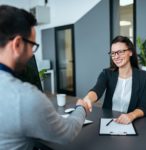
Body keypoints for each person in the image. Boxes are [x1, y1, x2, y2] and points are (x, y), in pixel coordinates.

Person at [0, 5, 89, 150]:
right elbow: (67, 133)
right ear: (17, 44)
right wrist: (81, 108)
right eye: (32, 46)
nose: (31, 54)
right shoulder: (24, 98)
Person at [82, 35, 146, 124]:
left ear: (130, 52)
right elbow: (97, 89)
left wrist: (131, 115)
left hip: (133, 122)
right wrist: (88, 98)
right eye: (113, 53)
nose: (116, 56)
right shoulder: (107, 73)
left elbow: (145, 105)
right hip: (109, 121)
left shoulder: (144, 76)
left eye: (120, 52)